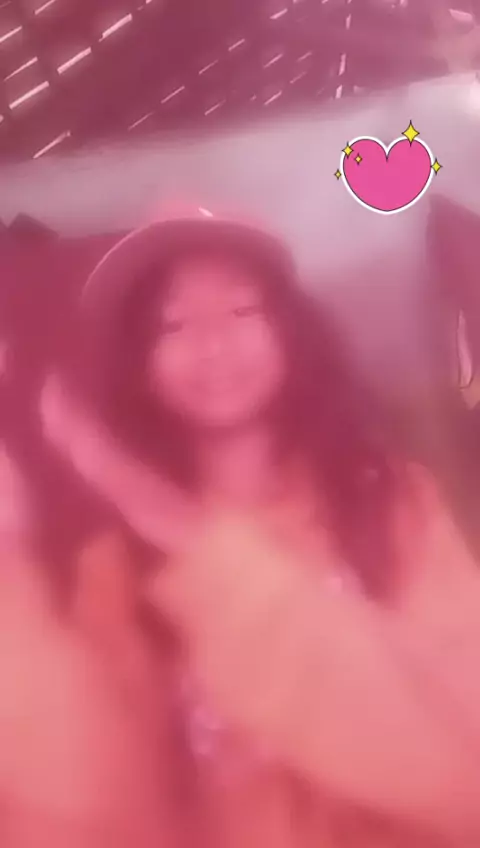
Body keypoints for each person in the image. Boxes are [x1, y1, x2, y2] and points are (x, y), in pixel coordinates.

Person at [42, 216, 480, 846]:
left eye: (243, 311)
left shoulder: (390, 502)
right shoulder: (116, 567)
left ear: (291, 331)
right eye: (171, 326)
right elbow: (120, 807)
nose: (214, 347)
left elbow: (463, 771)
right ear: (137, 365)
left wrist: (179, 530)